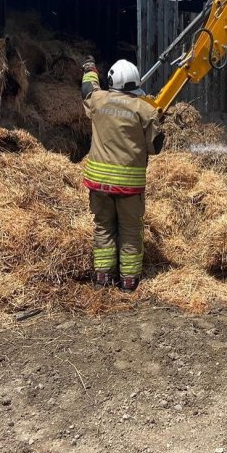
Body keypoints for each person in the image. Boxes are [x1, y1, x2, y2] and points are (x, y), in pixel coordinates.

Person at [81, 56, 164, 291]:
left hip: (99, 184)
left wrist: (89, 68)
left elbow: (87, 88)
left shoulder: (98, 100)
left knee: (103, 227)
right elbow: (155, 148)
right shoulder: (145, 109)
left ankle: (103, 277)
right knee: (130, 231)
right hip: (129, 186)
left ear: (111, 81)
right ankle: (128, 281)